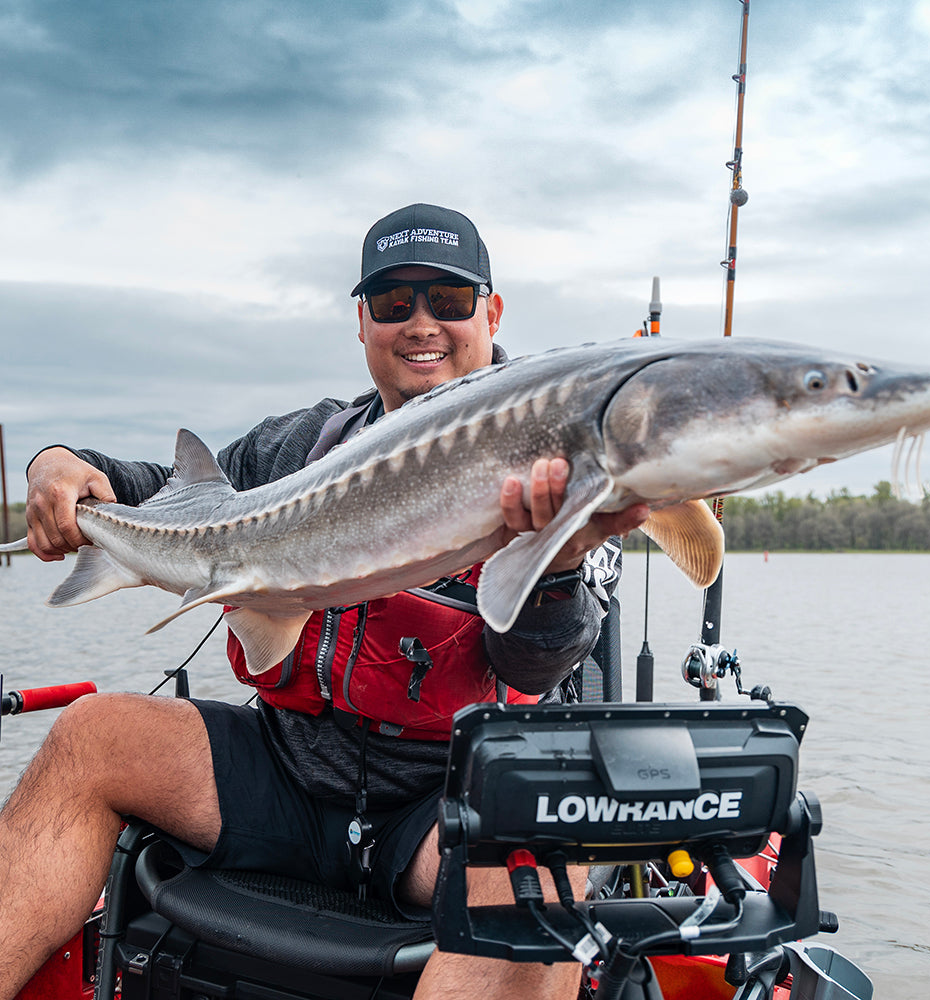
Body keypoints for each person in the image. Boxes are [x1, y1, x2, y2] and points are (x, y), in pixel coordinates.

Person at [0, 204, 648, 1000]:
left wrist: (555, 561)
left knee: (544, 854)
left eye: (448, 301)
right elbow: (158, 496)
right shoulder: (304, 444)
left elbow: (538, 665)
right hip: (288, 775)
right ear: (363, 322)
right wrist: (59, 461)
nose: (422, 324)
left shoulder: (567, 452)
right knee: (92, 734)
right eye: (393, 303)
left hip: (440, 809)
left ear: (491, 311)